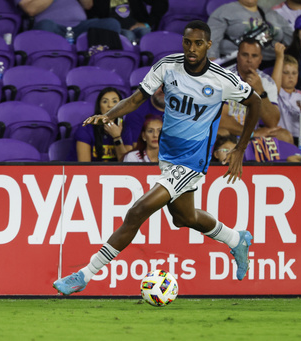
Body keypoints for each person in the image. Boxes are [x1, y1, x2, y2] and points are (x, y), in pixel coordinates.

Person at [53, 20, 261, 295]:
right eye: (188, 42)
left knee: (137, 211)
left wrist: (239, 148)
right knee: (183, 217)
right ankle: (236, 239)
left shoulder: (222, 79)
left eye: (199, 43)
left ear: (208, 45)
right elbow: (137, 99)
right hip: (168, 155)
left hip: (193, 159)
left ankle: (84, 274)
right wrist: (109, 115)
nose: (192, 48)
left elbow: (255, 102)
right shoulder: (167, 66)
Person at [220, 39, 293, 144]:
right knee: (221, 132)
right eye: (245, 55)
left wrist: (260, 91)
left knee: (284, 136)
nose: (249, 60)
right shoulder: (224, 78)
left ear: (260, 59)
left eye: (254, 56)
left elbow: (272, 122)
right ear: (238, 56)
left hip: (255, 134)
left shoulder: (267, 82)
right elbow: (221, 120)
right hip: (231, 132)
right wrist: (252, 133)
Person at [207, 0, 293, 65]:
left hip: (270, 64)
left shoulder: (272, 14)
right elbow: (211, 39)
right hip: (235, 63)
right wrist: (213, 65)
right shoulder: (225, 11)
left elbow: (292, 40)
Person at [272, 54, 301, 144]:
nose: (291, 76)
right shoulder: (274, 93)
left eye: (294, 73)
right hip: (281, 138)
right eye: (286, 73)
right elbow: (273, 88)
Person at [75, 87, 132, 162]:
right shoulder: (86, 128)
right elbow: (84, 166)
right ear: (99, 106)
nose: (110, 105)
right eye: (105, 102)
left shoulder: (125, 128)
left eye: (114, 101)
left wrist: (117, 137)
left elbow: (128, 165)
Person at [15, 0, 121, 40]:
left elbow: (88, 5)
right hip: (52, 27)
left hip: (79, 26)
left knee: (111, 24)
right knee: (46, 25)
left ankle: (98, 63)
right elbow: (30, 9)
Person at [86, 0, 168, 44]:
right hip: (114, 30)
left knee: (145, 31)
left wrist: (148, 23)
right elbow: (91, 14)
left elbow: (161, 3)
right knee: (128, 35)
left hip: (136, 25)